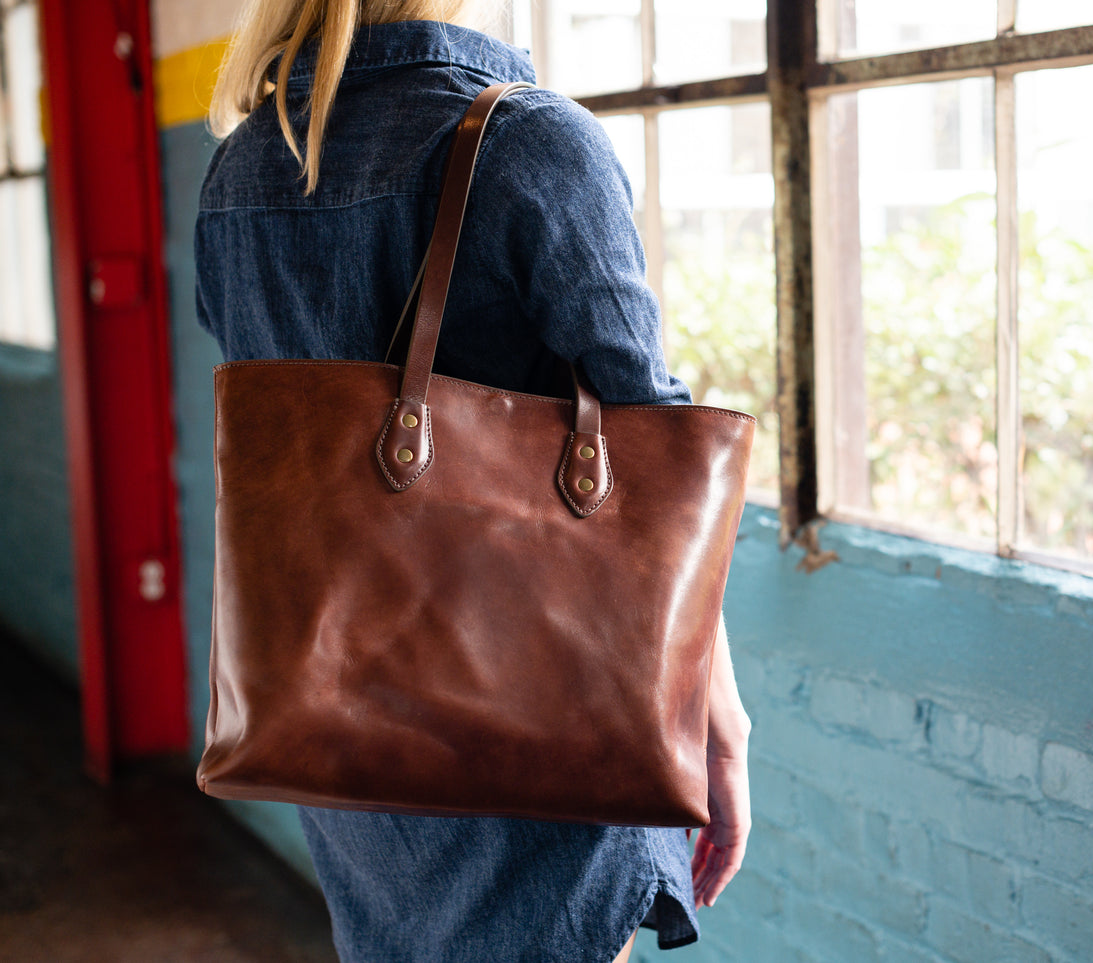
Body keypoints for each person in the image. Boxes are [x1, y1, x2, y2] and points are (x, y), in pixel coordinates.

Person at [195, 2, 752, 960]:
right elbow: (648, 446)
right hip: (536, 745)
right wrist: (719, 711)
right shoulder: (530, 138)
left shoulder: (243, 162)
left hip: (341, 735)